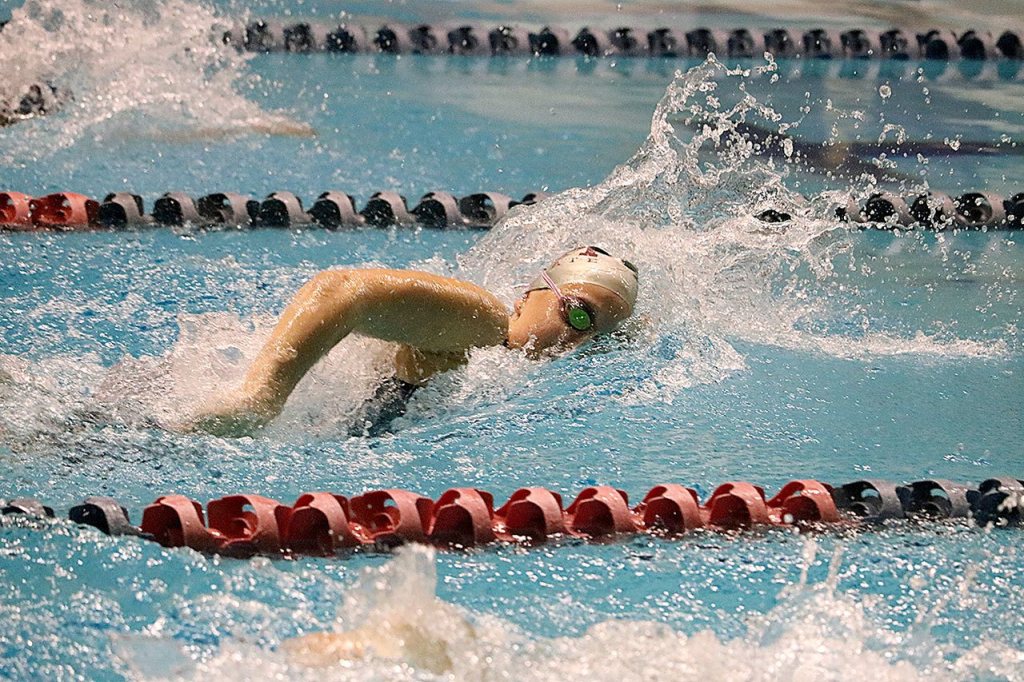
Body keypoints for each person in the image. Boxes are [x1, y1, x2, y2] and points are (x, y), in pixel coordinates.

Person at [189, 246, 639, 436]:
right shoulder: (482, 321)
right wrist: (261, 398)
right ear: (530, 295)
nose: (575, 342)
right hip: (214, 407)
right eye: (578, 314)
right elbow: (341, 290)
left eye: (598, 338)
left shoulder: (502, 370)